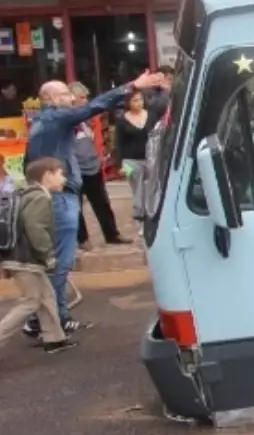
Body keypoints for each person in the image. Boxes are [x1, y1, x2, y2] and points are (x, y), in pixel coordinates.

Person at [23, 71, 164, 336]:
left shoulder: (42, 121)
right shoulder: (56, 116)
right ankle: (52, 319)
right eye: (65, 93)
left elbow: (29, 162)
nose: (71, 97)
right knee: (60, 262)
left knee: (53, 261)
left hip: (54, 193)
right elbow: (94, 107)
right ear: (50, 98)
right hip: (60, 196)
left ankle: (41, 317)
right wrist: (132, 86)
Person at [0, 157, 76, 354]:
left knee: (46, 295)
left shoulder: (26, 194)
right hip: (25, 259)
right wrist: (48, 255)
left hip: (19, 257)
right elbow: (35, 228)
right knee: (30, 301)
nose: (64, 179)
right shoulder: (41, 197)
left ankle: (54, 338)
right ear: (47, 175)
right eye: (60, 174)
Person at [67, 83, 129, 251]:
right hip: (75, 169)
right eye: (82, 98)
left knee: (102, 202)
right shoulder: (67, 120)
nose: (85, 101)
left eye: (86, 97)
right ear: (72, 99)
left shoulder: (87, 120)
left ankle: (112, 234)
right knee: (76, 206)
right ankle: (83, 239)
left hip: (92, 166)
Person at [114, 89, 158, 229]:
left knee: (151, 187)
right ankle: (141, 220)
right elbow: (118, 143)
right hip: (130, 160)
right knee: (137, 190)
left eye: (140, 99)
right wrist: (120, 164)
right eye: (135, 100)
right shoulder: (122, 120)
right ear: (128, 103)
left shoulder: (151, 115)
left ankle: (152, 215)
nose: (139, 103)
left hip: (150, 157)